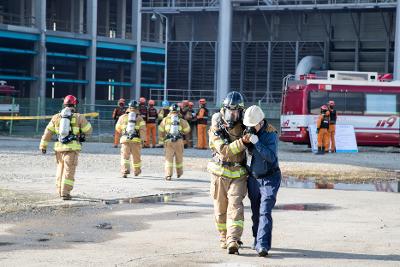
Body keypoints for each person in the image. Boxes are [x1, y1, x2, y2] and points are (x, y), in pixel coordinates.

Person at [207, 91, 248, 254]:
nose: (233, 114)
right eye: (230, 110)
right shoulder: (216, 126)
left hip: (238, 174)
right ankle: (223, 237)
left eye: (236, 111)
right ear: (224, 109)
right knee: (220, 209)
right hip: (219, 173)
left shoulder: (245, 125)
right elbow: (224, 150)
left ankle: (233, 240)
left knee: (235, 207)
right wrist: (243, 142)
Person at [243, 105, 281, 257]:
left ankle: (263, 245)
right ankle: (256, 238)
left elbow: (271, 157)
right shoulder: (250, 131)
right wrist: (247, 143)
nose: (250, 128)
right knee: (255, 212)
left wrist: (257, 142)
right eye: (249, 126)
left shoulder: (271, 134)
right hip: (254, 178)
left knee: (265, 211)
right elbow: (249, 153)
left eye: (253, 126)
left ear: (260, 122)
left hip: (270, 178)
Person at [39, 95, 92, 200]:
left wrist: (43, 145)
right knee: (69, 171)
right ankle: (65, 193)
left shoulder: (56, 117)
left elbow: (47, 133)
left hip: (59, 149)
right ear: (75, 104)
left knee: (60, 169)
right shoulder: (78, 117)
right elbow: (89, 130)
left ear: (64, 104)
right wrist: (81, 134)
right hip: (71, 149)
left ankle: (59, 190)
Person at [158, 103, 191, 181]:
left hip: (168, 141)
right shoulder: (181, 120)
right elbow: (187, 130)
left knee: (168, 159)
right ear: (178, 111)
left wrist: (161, 141)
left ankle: (168, 175)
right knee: (179, 158)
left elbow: (161, 130)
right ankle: (179, 173)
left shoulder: (165, 119)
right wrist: (182, 132)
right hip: (179, 141)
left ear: (170, 111)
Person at [115, 100, 146, 177]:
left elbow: (117, 128)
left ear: (129, 107)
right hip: (136, 140)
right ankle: (136, 171)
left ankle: (125, 171)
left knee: (125, 157)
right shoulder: (140, 118)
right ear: (137, 108)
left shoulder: (122, 117)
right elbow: (143, 130)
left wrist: (123, 133)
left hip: (125, 139)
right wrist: (142, 140)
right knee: (136, 157)